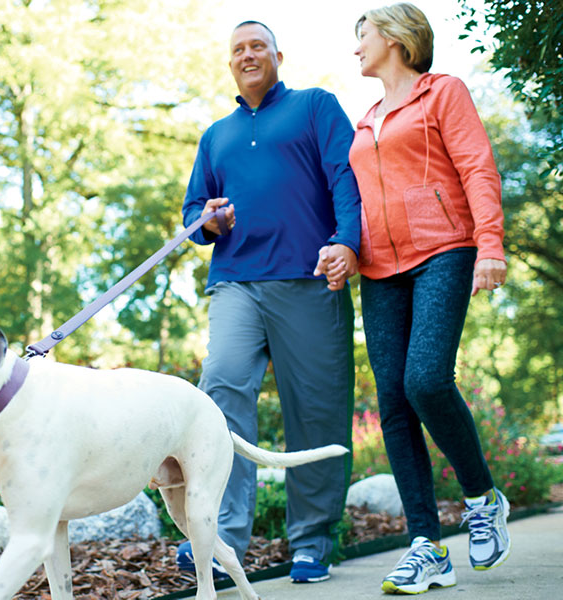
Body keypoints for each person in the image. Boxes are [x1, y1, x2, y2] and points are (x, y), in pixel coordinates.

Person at [321, 2, 509, 595]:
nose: (356, 47)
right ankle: (425, 546)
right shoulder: (366, 118)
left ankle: (482, 496)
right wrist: (346, 249)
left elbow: (477, 167)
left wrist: (490, 244)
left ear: (397, 37)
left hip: (444, 250)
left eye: (363, 35)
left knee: (426, 379)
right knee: (395, 403)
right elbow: (352, 202)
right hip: (380, 270)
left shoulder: (442, 93)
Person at [179, 20, 361, 584]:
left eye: (257, 45)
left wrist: (347, 242)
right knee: (221, 394)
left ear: (278, 55)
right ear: (229, 63)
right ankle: (220, 536)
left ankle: (311, 541)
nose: (247, 55)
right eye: (238, 49)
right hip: (236, 280)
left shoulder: (314, 106)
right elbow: (191, 216)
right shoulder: (217, 135)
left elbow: (344, 178)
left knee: (316, 411)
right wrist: (209, 222)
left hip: (309, 279)